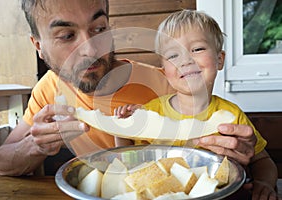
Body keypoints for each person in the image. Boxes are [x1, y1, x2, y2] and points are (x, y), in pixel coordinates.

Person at [0, 0, 257, 182]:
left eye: (99, 29)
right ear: (38, 45)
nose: (92, 48)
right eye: (67, 35)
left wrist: (243, 156)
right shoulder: (47, 90)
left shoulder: (167, 84)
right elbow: (0, 165)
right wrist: (34, 146)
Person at [114, 10, 278, 200]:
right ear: (165, 70)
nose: (186, 60)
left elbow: (263, 161)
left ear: (219, 60)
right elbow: (128, 160)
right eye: (173, 55)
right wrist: (122, 129)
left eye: (197, 49)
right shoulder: (150, 112)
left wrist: (264, 183)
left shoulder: (232, 116)